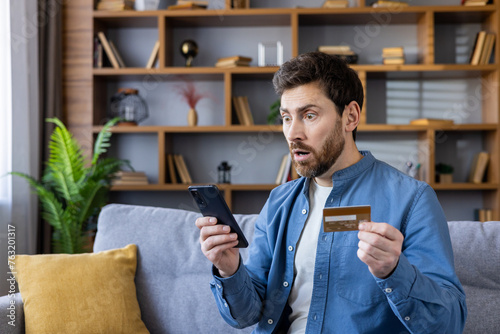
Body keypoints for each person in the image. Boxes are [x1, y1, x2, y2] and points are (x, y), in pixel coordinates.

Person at [195, 52, 467, 333]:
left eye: (309, 115)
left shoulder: (412, 199)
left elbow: (449, 324)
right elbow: (247, 316)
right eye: (287, 118)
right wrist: (230, 269)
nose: (293, 133)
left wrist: (394, 271)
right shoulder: (279, 201)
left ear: (350, 117)